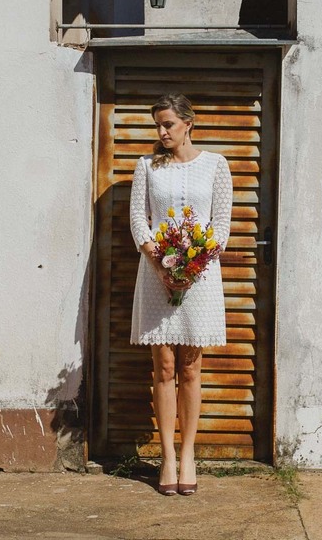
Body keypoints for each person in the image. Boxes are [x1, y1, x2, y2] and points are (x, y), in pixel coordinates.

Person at [128, 93, 233, 497]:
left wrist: (194, 265)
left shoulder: (216, 165)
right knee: (164, 367)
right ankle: (167, 456)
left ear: (189, 123)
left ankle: (189, 454)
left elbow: (221, 225)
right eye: (157, 124)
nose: (161, 131)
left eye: (168, 124)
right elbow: (140, 220)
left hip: (201, 276)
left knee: (191, 366)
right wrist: (160, 264)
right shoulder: (147, 166)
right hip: (156, 274)